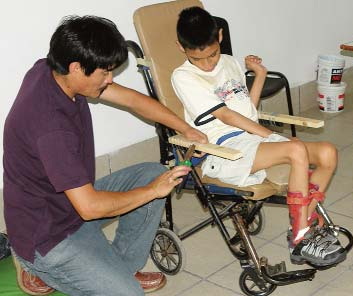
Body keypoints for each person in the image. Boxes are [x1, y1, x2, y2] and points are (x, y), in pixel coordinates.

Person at [3, 15, 207, 296]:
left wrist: (185, 128)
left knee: (155, 174)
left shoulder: (52, 69)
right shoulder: (50, 128)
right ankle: (33, 264)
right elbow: (90, 208)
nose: (110, 80)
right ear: (76, 68)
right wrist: (152, 192)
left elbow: (133, 100)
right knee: (129, 293)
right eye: (105, 72)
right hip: (47, 236)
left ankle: (122, 265)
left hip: (69, 205)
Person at [171, 6, 346, 267]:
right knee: (295, 149)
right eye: (199, 59)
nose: (208, 64)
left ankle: (302, 223)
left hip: (252, 142)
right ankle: (301, 238)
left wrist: (260, 75)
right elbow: (227, 116)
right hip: (224, 151)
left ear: (220, 37)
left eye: (213, 55)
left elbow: (247, 112)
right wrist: (275, 138)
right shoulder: (183, 76)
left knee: (328, 152)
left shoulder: (229, 63)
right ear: (181, 48)